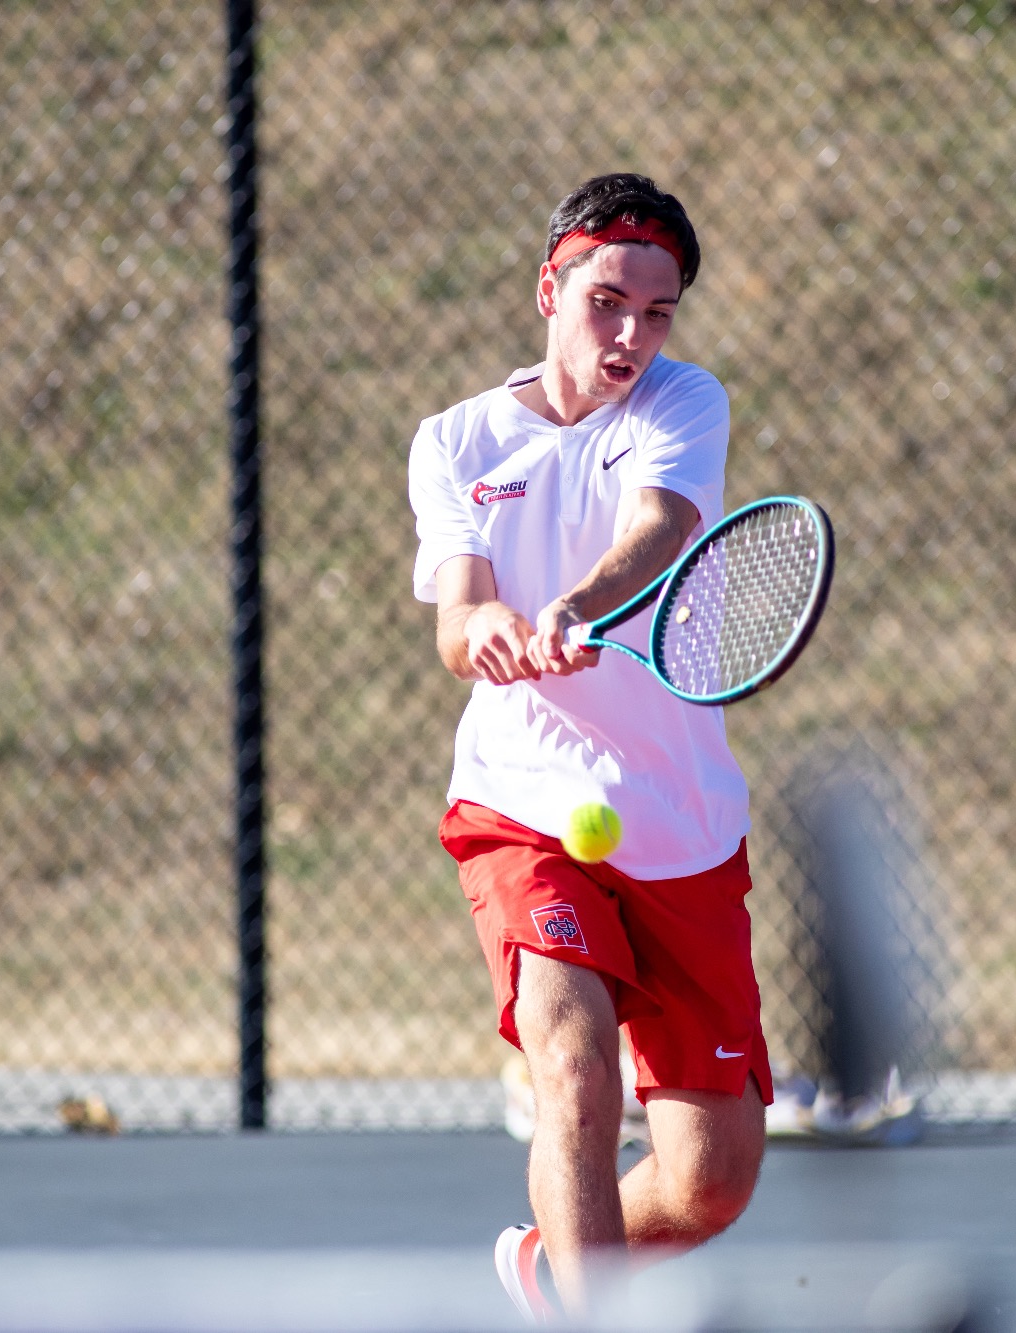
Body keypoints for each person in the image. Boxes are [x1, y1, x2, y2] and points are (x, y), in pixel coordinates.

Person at [406, 173, 770, 1321]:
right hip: (521, 809)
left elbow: (657, 528)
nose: (629, 335)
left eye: (655, 313)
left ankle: (550, 1272)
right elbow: (456, 622)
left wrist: (575, 602)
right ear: (547, 289)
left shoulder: (681, 401)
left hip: (679, 823)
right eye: (606, 301)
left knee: (710, 1184)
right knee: (570, 1066)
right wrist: (495, 633)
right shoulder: (454, 439)